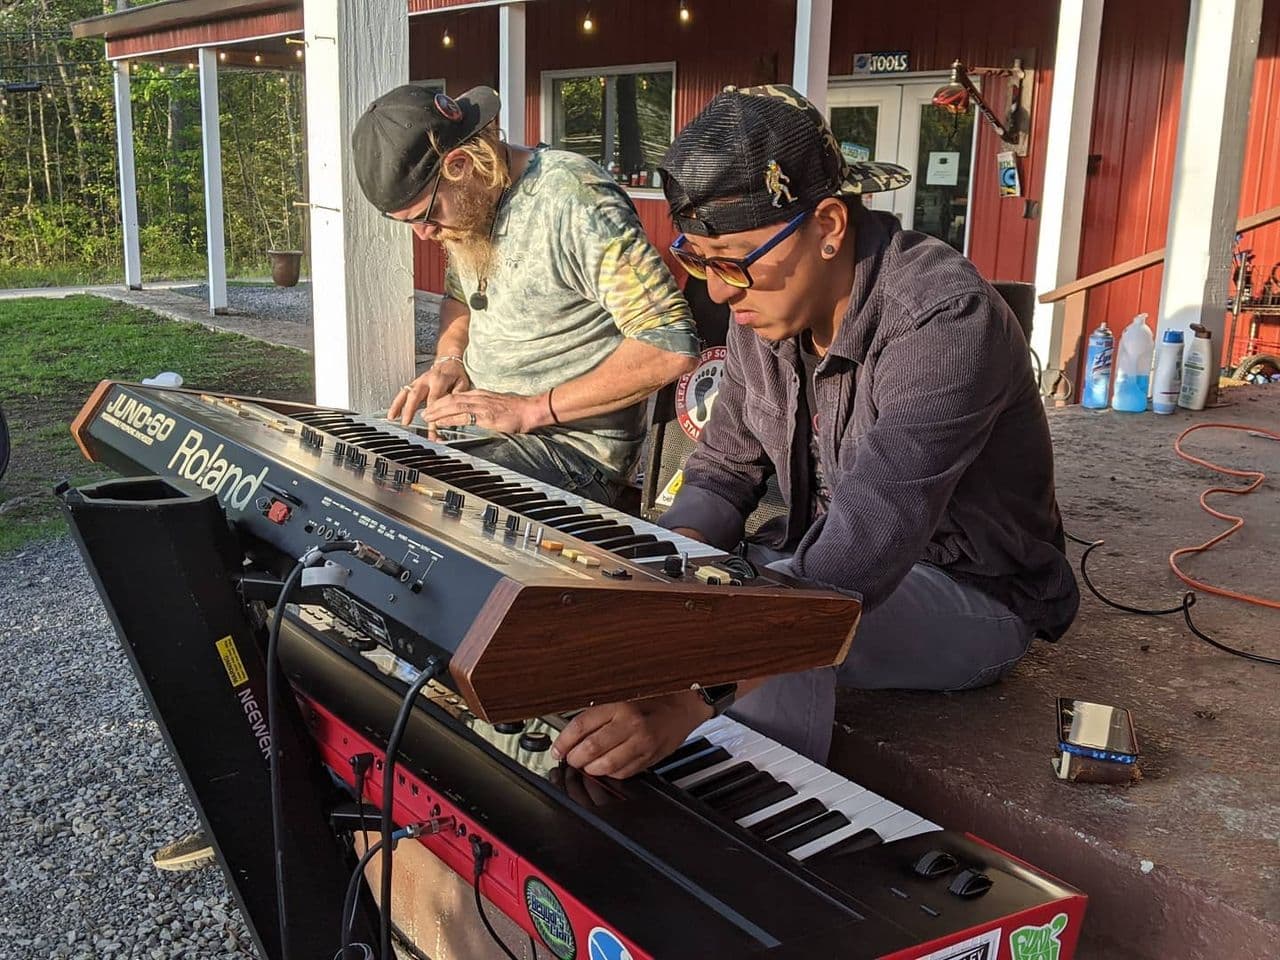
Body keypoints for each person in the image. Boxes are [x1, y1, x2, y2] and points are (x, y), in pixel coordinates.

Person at [553, 84, 1079, 778]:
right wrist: (664, 570)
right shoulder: (764, 310)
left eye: (733, 259)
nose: (719, 290)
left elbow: (862, 545)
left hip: (972, 593)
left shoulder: (944, 319)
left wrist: (694, 693)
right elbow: (723, 470)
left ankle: (754, 822)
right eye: (698, 260)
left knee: (782, 613)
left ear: (828, 225)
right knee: (693, 595)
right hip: (814, 552)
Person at [351, 83, 699, 504]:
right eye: (407, 222)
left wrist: (530, 409)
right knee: (359, 461)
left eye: (426, 215)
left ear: (460, 165)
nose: (424, 234)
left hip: (572, 452)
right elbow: (461, 299)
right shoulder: (471, 205)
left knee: (411, 495)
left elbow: (669, 345)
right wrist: (449, 360)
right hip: (484, 429)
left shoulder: (574, 199)